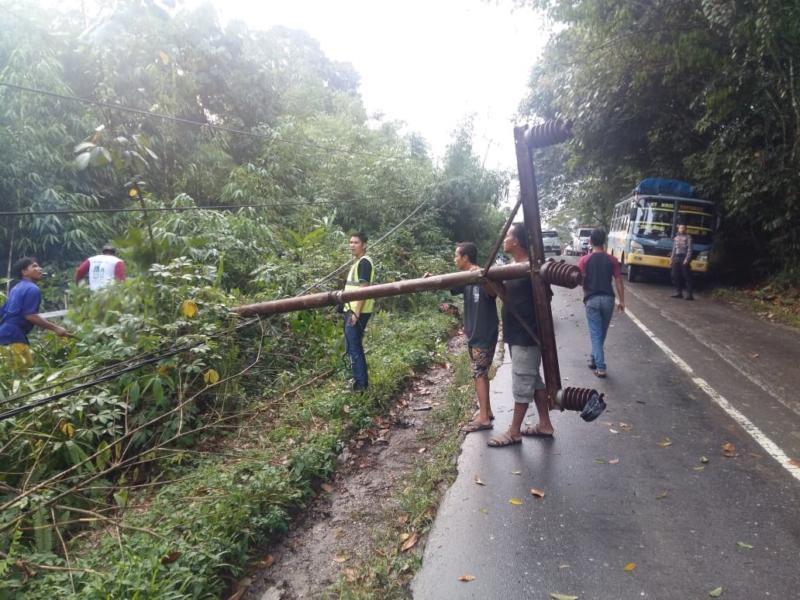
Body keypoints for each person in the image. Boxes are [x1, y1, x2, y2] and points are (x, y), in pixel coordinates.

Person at [487, 222, 554, 447]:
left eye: (507, 235)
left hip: (527, 336)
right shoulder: (512, 266)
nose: (504, 239)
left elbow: (547, 296)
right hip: (516, 333)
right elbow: (504, 295)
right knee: (533, 379)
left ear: (515, 241)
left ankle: (514, 431)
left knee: (523, 380)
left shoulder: (531, 267)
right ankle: (545, 424)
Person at [449, 242, 499, 433]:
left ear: (465, 257)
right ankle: (487, 411)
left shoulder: (481, 275)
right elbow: (450, 284)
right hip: (474, 333)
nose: (455, 259)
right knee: (481, 373)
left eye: (456, 256)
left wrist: (485, 278)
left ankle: (484, 418)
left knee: (478, 373)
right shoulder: (466, 278)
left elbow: (493, 293)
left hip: (484, 332)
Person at [0, 257, 71, 369]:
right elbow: (30, 316)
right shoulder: (32, 289)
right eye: (34, 266)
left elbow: (3, 311)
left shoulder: (16, 288)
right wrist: (56, 328)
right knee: (22, 373)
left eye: (38, 266)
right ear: (24, 272)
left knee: (9, 373)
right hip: (14, 336)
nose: (39, 269)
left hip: (5, 333)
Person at [577, 228, 625, 378]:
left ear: (590, 241)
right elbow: (618, 281)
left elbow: (580, 280)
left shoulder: (584, 260)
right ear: (604, 241)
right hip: (608, 300)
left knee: (596, 334)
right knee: (601, 333)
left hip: (591, 299)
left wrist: (585, 287)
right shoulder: (613, 260)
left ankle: (601, 367)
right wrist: (622, 301)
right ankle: (594, 358)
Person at [342, 232, 375, 391]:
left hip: (356, 312)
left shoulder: (364, 263)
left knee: (354, 348)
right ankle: (359, 382)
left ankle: (361, 385)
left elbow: (363, 289)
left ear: (364, 245)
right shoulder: (358, 263)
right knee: (353, 347)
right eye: (350, 242)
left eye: (355, 242)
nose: (352, 245)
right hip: (353, 309)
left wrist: (355, 312)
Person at [670, 223, 694, 300]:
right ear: (678, 229)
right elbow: (674, 249)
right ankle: (678, 292)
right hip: (676, 257)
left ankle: (689, 294)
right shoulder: (676, 238)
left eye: (683, 228)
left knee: (686, 276)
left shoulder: (688, 238)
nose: (681, 229)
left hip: (684, 257)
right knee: (675, 275)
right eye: (680, 228)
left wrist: (687, 259)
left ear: (686, 229)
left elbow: (690, 249)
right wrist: (671, 259)